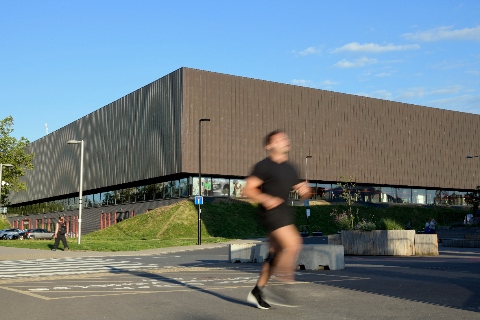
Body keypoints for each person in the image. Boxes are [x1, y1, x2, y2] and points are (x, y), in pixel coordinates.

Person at [244, 130, 311, 309]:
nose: (285, 140)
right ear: (269, 146)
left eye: (286, 138)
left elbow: (301, 190)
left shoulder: (290, 168)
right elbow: (249, 189)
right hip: (270, 213)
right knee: (294, 243)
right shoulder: (264, 166)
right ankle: (281, 286)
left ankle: (258, 291)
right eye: (280, 139)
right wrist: (266, 199)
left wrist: (305, 191)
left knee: (276, 254)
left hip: (284, 212)